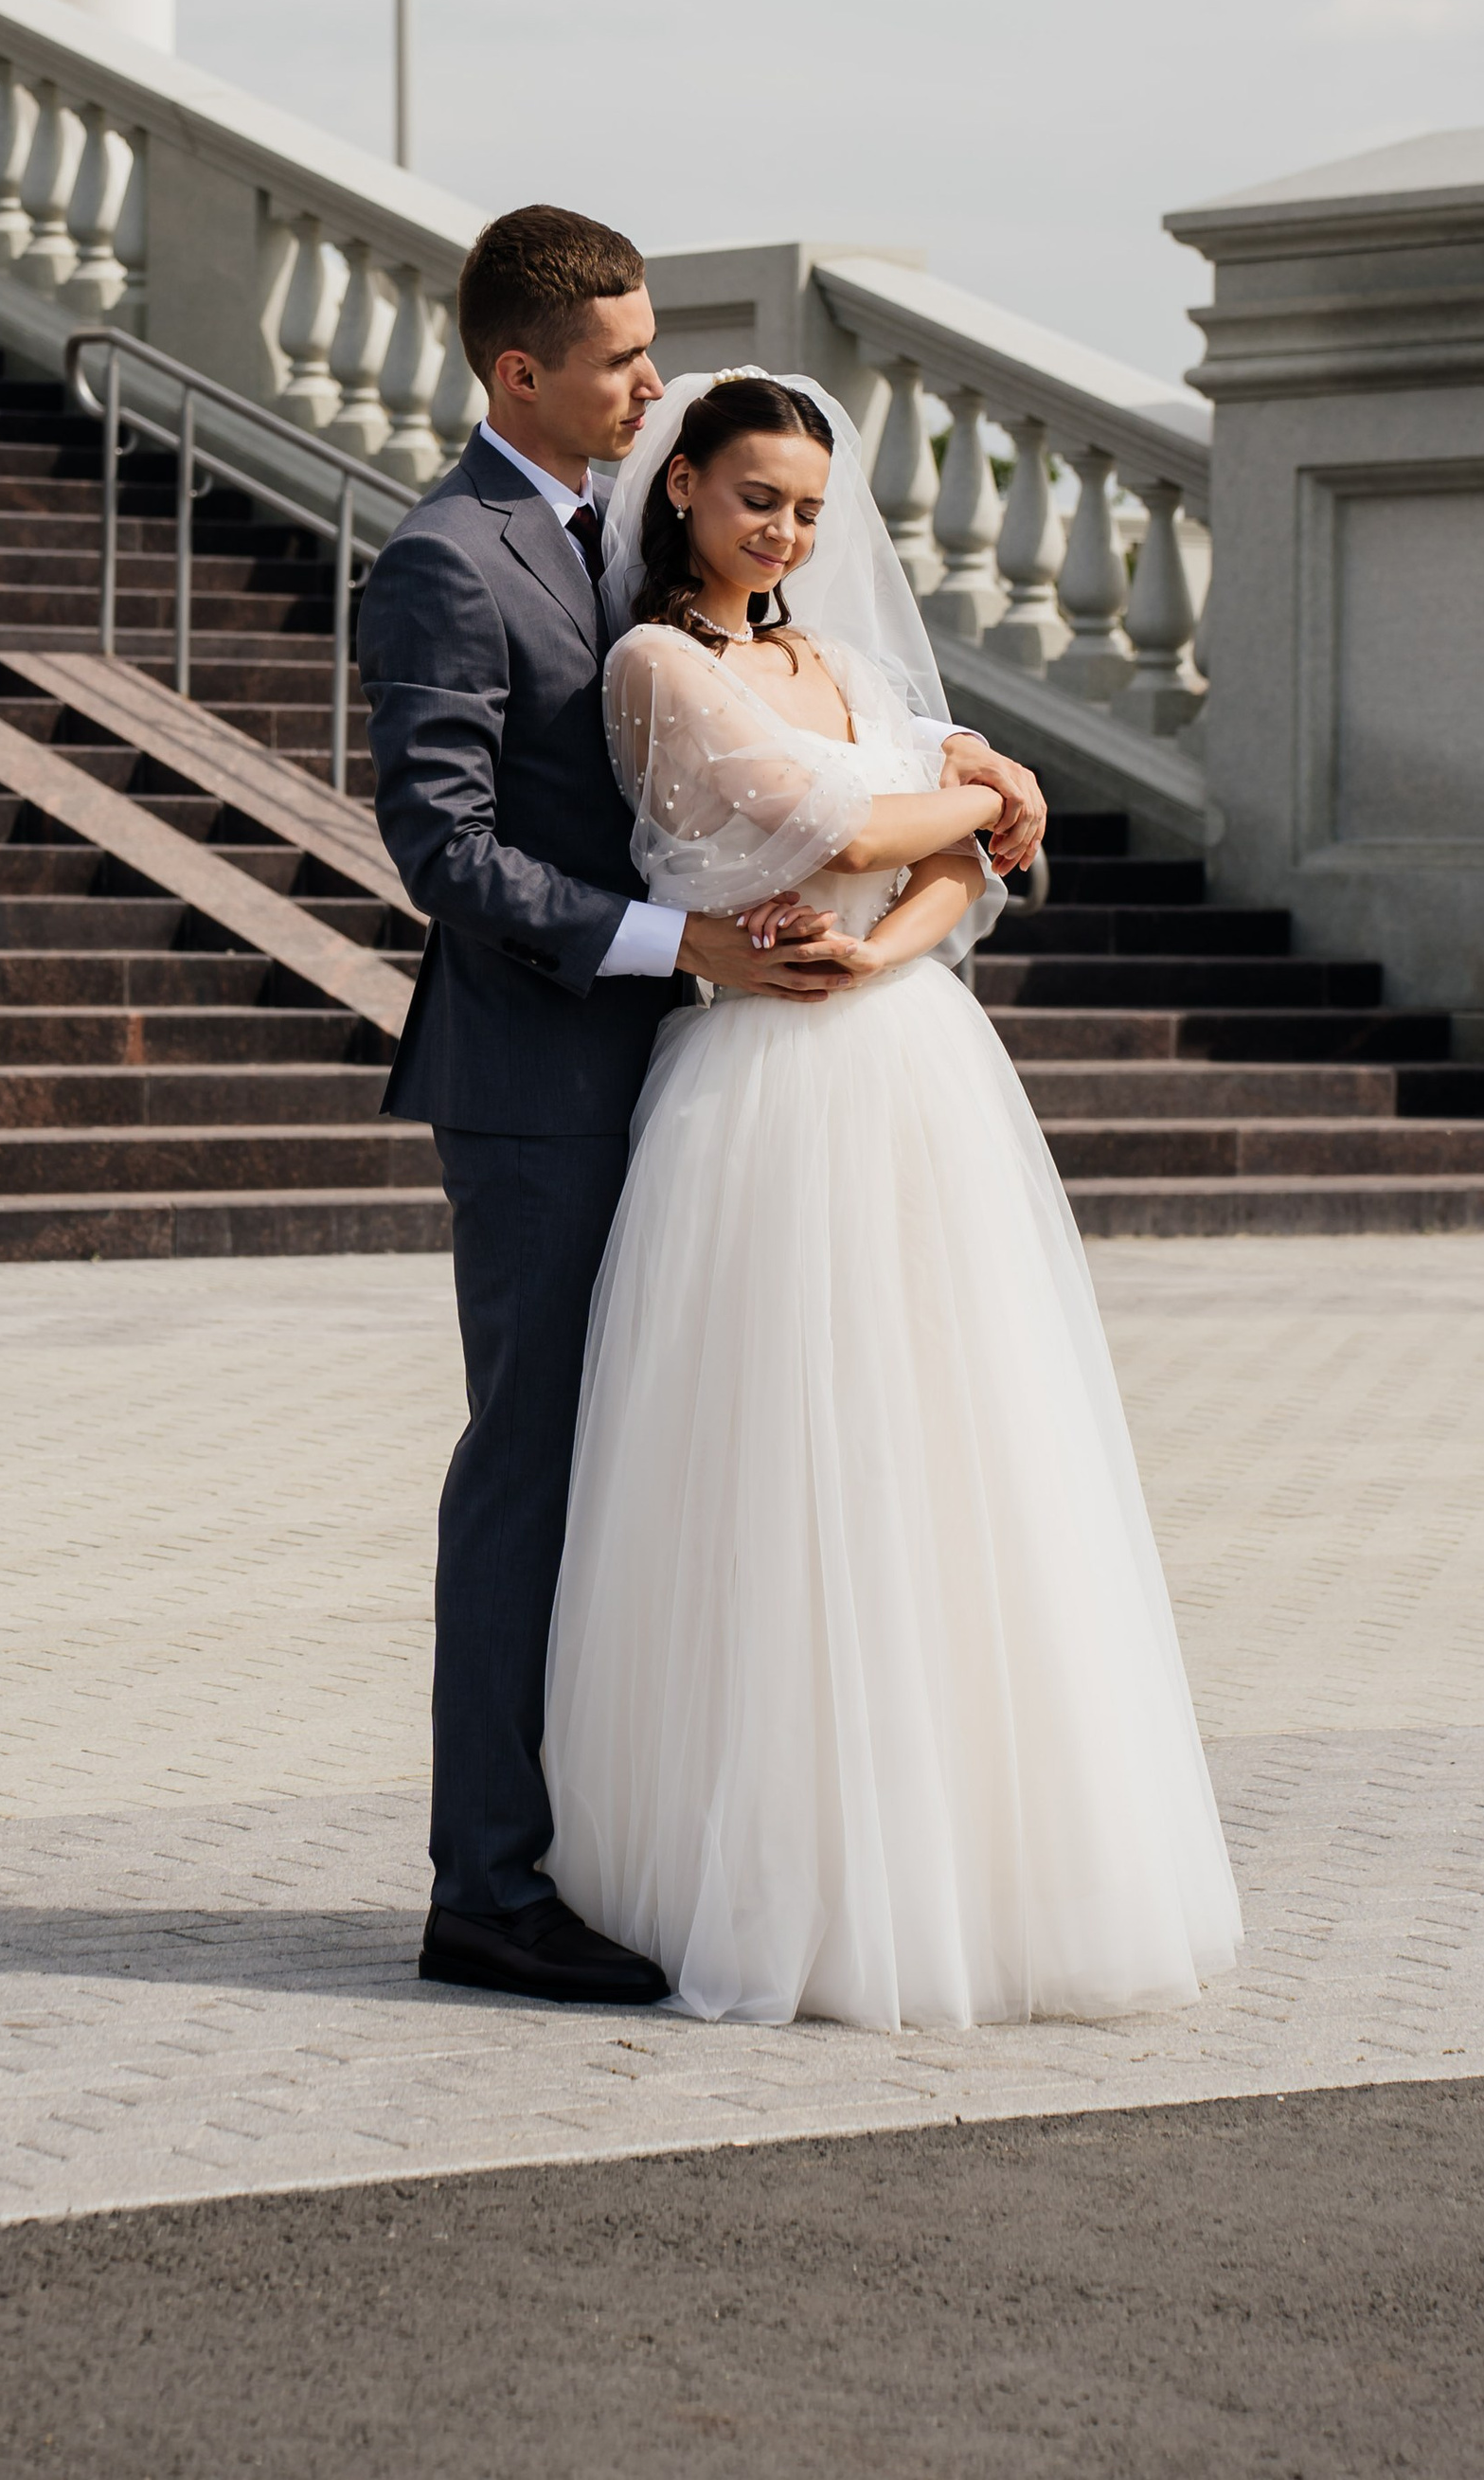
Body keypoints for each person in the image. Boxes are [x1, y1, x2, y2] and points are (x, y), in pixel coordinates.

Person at [357, 207, 1049, 2008]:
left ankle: (647, 1854)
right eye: (620, 360)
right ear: (521, 371)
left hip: (700, 1079)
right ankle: (485, 1889)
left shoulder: (630, 537)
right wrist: (690, 947)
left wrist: (970, 766)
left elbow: (764, 710)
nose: (651, 381)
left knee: (686, 1474)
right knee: (532, 1474)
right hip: (541, 1084)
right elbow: (444, 848)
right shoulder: (445, 558)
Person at [539, 368, 1243, 2027]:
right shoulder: (655, 666)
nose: (783, 530)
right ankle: (780, 1869)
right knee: (780, 1457)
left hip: (905, 1056)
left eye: (805, 508)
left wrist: (886, 944)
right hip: (757, 1091)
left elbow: (941, 867)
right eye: (754, 498)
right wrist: (988, 788)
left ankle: (972, 1867)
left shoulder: (841, 665)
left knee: (952, 1442)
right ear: (682, 489)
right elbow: (836, 820)